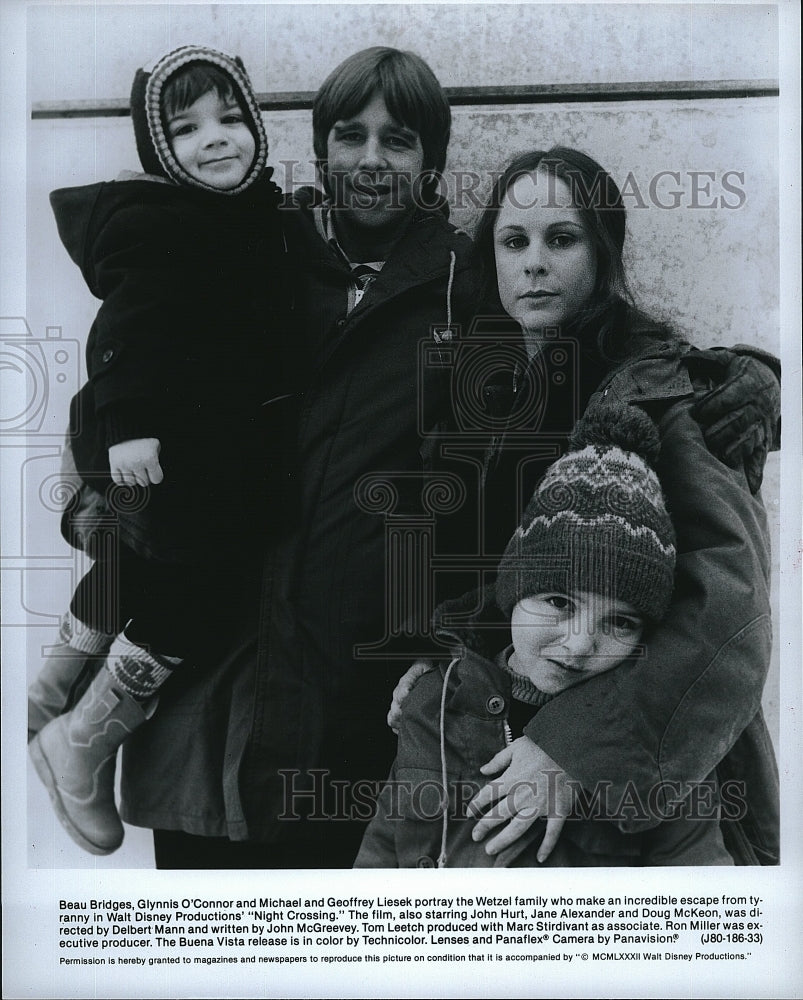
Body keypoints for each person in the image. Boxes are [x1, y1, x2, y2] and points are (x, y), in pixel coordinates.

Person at [65, 48, 777, 869]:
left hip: (364, 732)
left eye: (398, 140)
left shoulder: (468, 292)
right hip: (208, 726)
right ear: (316, 146)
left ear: (431, 160)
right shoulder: (240, 255)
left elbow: (497, 528)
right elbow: (121, 381)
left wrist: (738, 376)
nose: (371, 160)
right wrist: (111, 508)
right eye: (349, 136)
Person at [390, 147, 779, 866]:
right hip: (503, 765)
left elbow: (728, 614)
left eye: (560, 239)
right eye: (514, 241)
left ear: (602, 253)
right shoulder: (490, 395)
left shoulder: (661, 394)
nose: (533, 262)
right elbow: (512, 577)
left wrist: (575, 752)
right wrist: (443, 658)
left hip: (649, 806)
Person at [27, 45, 297, 856]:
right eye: (186, 130)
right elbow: (128, 329)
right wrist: (128, 423)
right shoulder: (166, 226)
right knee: (196, 594)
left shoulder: (242, 218)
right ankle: (82, 738)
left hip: (213, 454)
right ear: (160, 152)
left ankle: (59, 686)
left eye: (230, 119)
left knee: (142, 572)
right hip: (178, 456)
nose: (215, 139)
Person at [357, 402, 741, 866]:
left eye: (620, 622)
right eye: (559, 603)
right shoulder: (433, 700)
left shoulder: (655, 737)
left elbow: (698, 878)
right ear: (514, 590)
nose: (580, 644)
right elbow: (381, 851)